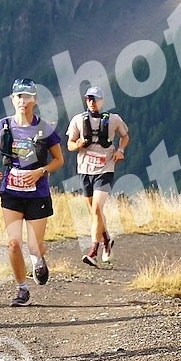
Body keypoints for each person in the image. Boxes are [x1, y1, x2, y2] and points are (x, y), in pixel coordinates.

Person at [0, 79, 65, 307]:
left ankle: (38, 259)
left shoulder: (45, 128)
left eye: (28, 96)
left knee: (34, 245)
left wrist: (41, 171)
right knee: (13, 243)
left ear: (35, 100)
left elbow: (59, 160)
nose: (23, 101)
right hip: (11, 191)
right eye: (19, 96)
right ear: (12, 100)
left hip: (37, 193)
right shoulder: (3, 126)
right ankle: (22, 289)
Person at [65, 86, 130, 268]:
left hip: (105, 168)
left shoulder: (114, 119)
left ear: (102, 101)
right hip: (85, 170)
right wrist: (78, 144)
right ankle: (107, 240)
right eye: (89, 99)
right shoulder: (78, 120)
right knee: (95, 212)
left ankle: (93, 251)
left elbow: (125, 136)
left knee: (96, 209)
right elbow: (69, 144)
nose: (92, 102)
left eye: (95, 99)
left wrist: (120, 150)